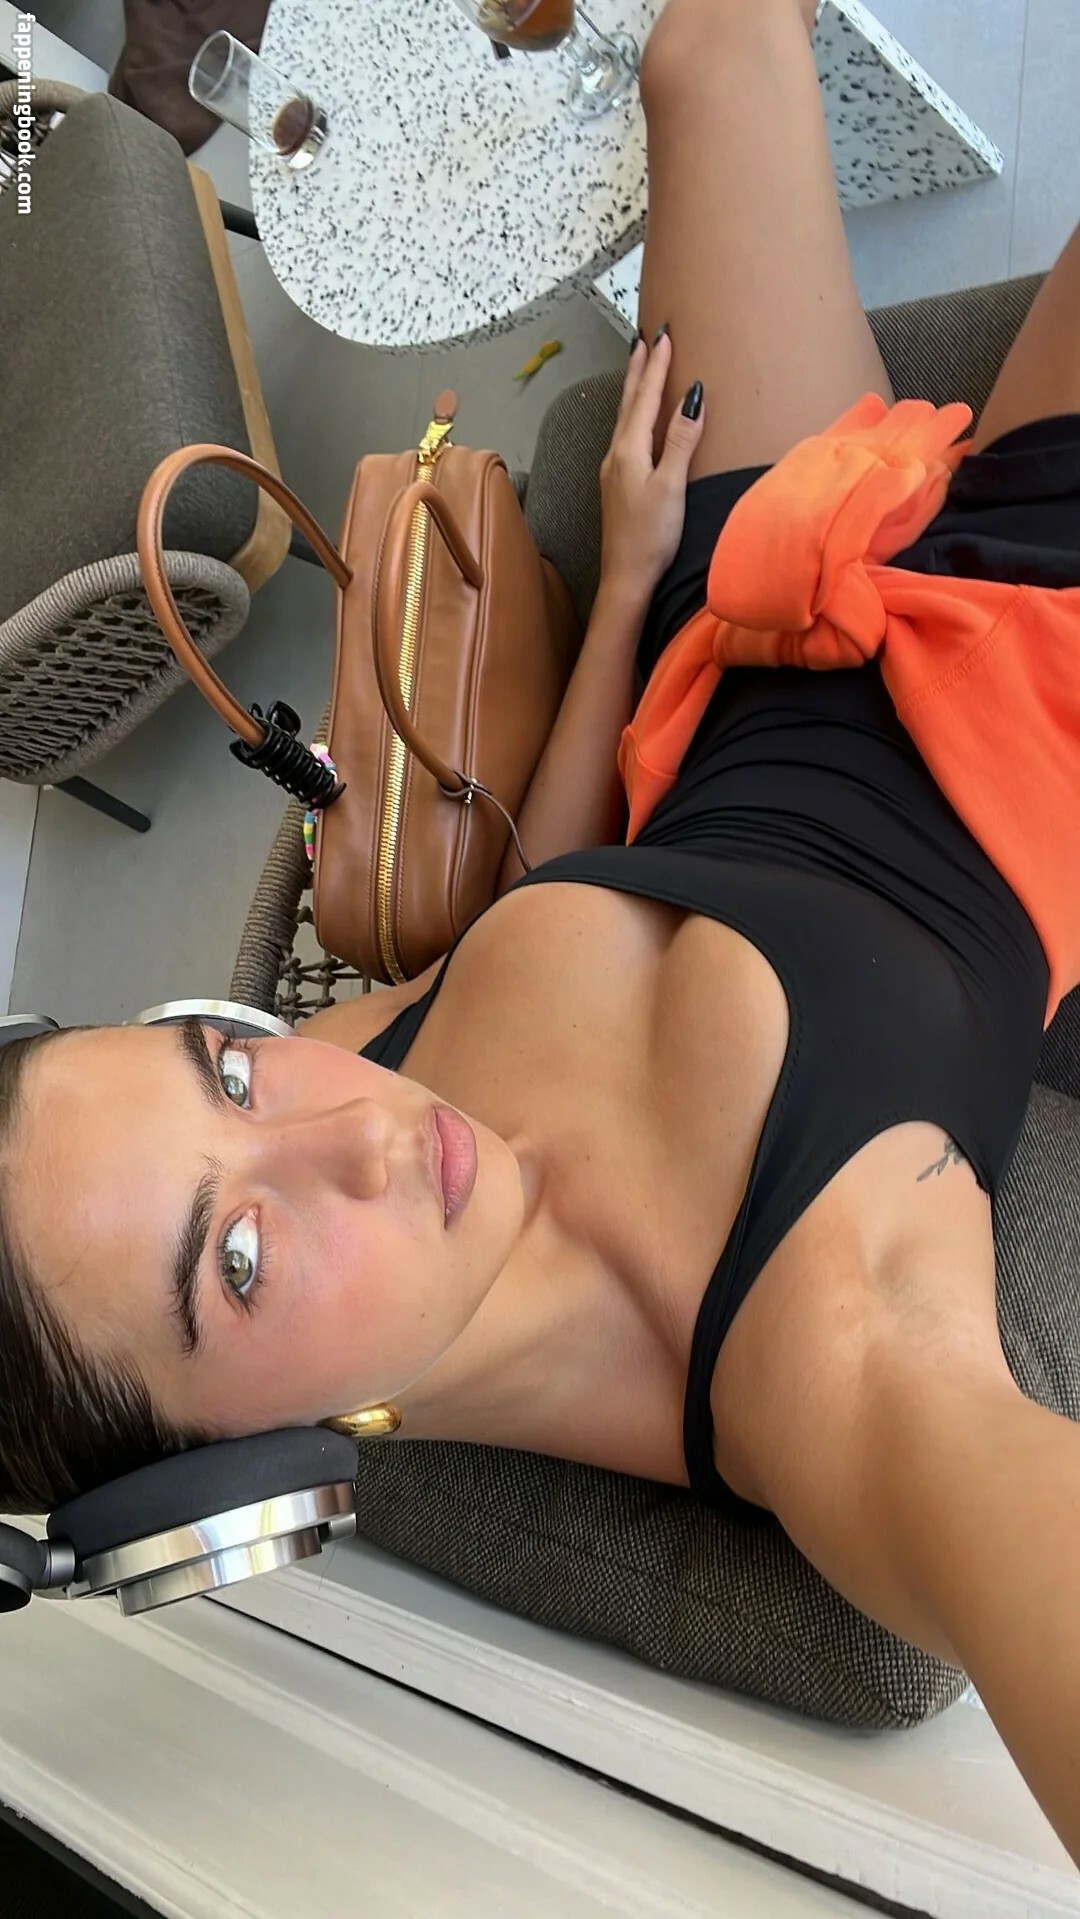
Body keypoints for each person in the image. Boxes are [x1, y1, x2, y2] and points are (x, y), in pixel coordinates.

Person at [3, 0, 1080, 1864]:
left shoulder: (332, 1092)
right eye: (237, 1262)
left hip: (746, 633)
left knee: (709, 45)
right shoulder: (823, 1361)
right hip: (1032, 660)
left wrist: (634, 575)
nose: (348, 1134)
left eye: (219, 1066)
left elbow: (528, 903)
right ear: (229, 1492)